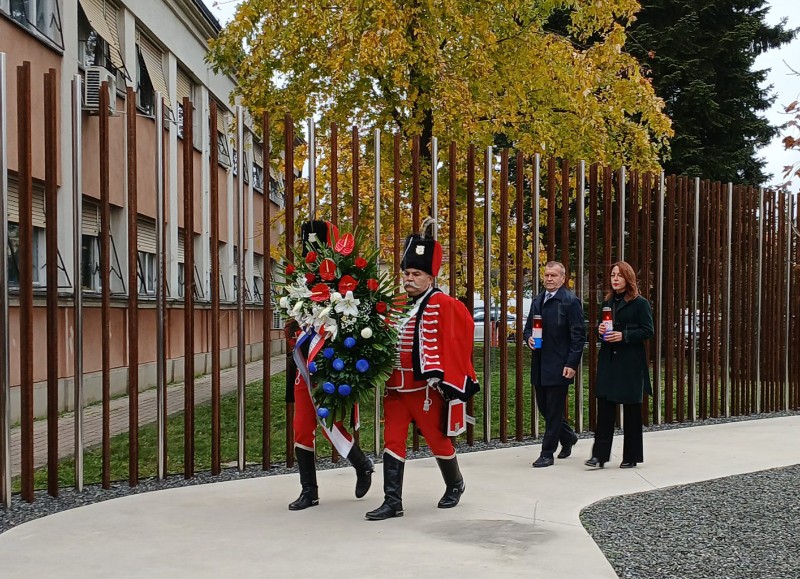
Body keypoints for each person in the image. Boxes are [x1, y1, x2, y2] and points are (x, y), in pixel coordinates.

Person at [365, 234, 479, 521]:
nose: (409, 279)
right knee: (392, 442)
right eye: (406, 273)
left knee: (438, 442)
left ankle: (455, 484)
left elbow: (458, 340)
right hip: (395, 388)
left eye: (416, 274)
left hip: (424, 389)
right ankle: (392, 502)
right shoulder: (397, 305)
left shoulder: (444, 303)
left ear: (430, 277)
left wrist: (444, 377)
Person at [287, 220, 374, 511]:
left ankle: (362, 464)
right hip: (305, 365)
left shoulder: (345, 280)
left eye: (317, 247)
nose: (311, 253)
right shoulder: (301, 283)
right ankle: (308, 491)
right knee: (301, 427)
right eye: (308, 247)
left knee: (329, 423)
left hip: (329, 361)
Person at [585, 261, 654, 469]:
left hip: (630, 362)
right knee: (605, 407)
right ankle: (599, 455)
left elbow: (647, 330)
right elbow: (602, 327)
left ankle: (631, 456)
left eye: (619, 275)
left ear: (628, 278)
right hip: (609, 360)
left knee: (632, 410)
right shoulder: (607, 303)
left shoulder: (640, 303)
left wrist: (623, 335)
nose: (615, 279)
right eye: (613, 275)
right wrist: (600, 331)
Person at [523, 261, 586, 468]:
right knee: (545, 408)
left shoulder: (570, 301)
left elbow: (578, 336)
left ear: (562, 278)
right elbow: (528, 329)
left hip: (560, 364)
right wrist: (529, 338)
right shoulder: (538, 300)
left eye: (553, 275)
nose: (549, 279)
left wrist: (572, 363)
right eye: (547, 275)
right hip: (540, 363)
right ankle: (568, 437)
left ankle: (546, 453)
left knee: (553, 410)